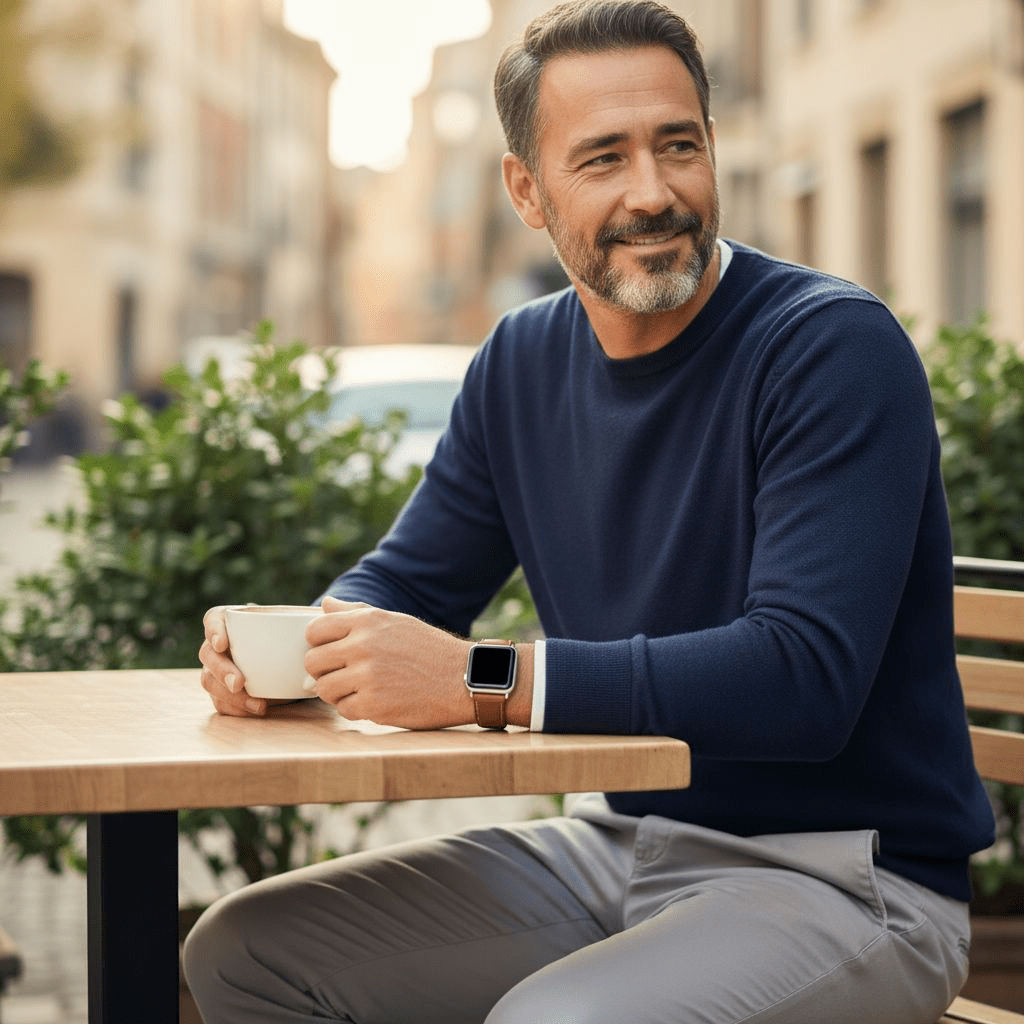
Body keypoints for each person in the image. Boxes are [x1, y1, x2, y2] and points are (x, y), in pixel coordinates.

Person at [186, 1, 996, 1021]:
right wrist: (296, 647)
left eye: (678, 146)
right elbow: (409, 581)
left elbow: (803, 676)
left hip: (849, 883)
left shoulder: (831, 348)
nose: (652, 193)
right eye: (603, 158)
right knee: (248, 950)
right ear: (526, 188)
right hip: (620, 847)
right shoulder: (520, 361)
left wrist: (481, 679)